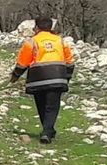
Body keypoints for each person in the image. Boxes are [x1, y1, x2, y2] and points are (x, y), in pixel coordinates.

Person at [9, 16, 75, 144]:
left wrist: (15, 76)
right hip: (57, 78)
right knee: (52, 106)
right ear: (50, 27)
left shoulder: (32, 42)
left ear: (37, 28)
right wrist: (67, 77)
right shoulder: (60, 41)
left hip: (37, 78)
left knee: (41, 105)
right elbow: (70, 62)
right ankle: (48, 130)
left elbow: (22, 63)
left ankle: (47, 130)